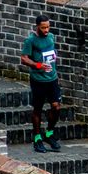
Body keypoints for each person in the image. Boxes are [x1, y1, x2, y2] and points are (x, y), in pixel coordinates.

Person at [20, 15, 62, 153]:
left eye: (48, 27)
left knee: (56, 107)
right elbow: (24, 59)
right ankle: (37, 138)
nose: (46, 30)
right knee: (37, 109)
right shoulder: (30, 40)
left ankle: (49, 133)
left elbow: (50, 52)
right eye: (43, 27)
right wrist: (38, 65)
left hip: (52, 79)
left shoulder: (51, 37)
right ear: (37, 26)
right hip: (38, 80)